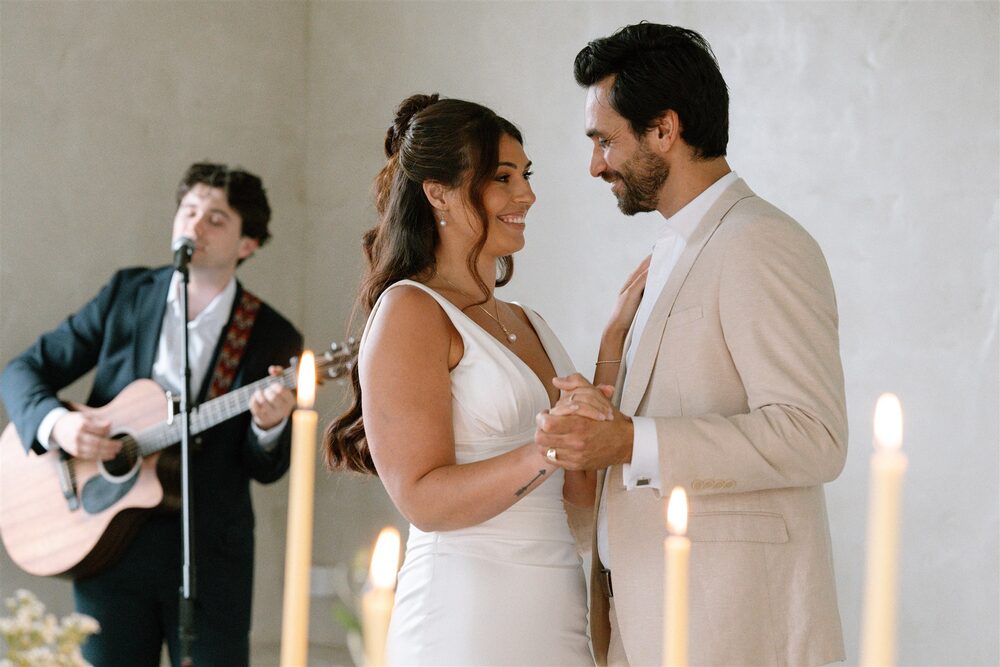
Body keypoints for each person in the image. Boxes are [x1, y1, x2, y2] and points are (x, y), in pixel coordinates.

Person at [535, 23, 848, 666]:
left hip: (734, 629)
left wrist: (629, 440)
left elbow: (814, 434)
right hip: (648, 623)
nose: (595, 164)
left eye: (603, 140)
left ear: (664, 130)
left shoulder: (760, 242)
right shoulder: (673, 251)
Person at [323, 94, 643, 666]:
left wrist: (614, 342)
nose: (527, 195)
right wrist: (544, 449)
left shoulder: (530, 322)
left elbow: (580, 491)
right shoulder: (411, 311)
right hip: (466, 613)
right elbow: (422, 499)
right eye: (502, 177)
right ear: (438, 192)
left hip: (557, 608)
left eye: (526, 175)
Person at [0, 162, 303, 666]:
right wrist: (62, 424)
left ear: (247, 244)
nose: (194, 226)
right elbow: (23, 371)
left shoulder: (271, 334)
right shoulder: (127, 294)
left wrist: (268, 425)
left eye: (216, 219)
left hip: (210, 559)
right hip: (106, 544)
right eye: (188, 210)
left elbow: (267, 467)